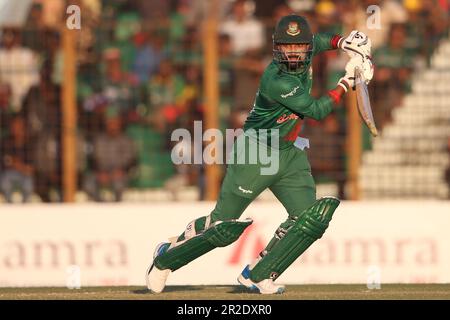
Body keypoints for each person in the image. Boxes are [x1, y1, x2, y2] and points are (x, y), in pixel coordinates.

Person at [146, 15, 373, 294]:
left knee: (309, 220)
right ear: (277, 48)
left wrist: (345, 42)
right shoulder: (276, 79)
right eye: (287, 47)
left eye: (300, 46)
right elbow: (316, 111)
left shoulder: (307, 48)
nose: (294, 52)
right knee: (222, 228)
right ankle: (164, 260)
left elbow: (321, 40)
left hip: (289, 151)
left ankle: (258, 274)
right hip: (256, 153)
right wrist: (347, 82)